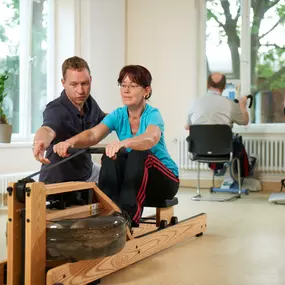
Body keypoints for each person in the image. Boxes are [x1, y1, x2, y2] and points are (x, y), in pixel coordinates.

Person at [53, 65, 179, 227]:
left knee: (137, 153)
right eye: (123, 85)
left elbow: (151, 138)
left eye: (132, 86)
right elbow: (93, 134)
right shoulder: (118, 115)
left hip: (165, 181)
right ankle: (109, 213)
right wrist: (69, 142)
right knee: (110, 156)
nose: (126, 90)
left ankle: (127, 219)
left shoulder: (153, 114)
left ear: (146, 91)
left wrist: (124, 143)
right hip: (135, 180)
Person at [33, 56, 105, 184]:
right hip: (59, 181)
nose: (81, 90)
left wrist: (127, 117)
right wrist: (39, 142)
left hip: (87, 173)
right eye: (74, 84)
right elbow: (47, 129)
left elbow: (103, 119)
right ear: (63, 83)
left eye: (84, 83)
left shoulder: (89, 102)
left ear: (90, 80)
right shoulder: (56, 109)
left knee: (116, 179)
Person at [185, 72, 255, 177]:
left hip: (199, 151)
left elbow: (187, 126)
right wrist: (242, 106)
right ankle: (245, 172)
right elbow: (244, 122)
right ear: (224, 86)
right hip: (225, 151)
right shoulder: (230, 104)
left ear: (207, 85)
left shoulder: (195, 103)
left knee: (216, 142)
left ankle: (217, 167)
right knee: (238, 143)